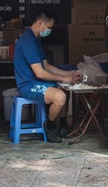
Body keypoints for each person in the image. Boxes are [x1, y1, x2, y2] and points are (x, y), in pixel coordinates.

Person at [13, 10, 83, 143]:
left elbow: (46, 66)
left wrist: (69, 74)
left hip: (37, 83)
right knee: (59, 96)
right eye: (49, 27)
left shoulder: (35, 40)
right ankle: (50, 126)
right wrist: (63, 78)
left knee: (65, 91)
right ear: (40, 23)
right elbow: (40, 73)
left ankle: (62, 125)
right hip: (28, 85)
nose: (49, 31)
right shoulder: (27, 41)